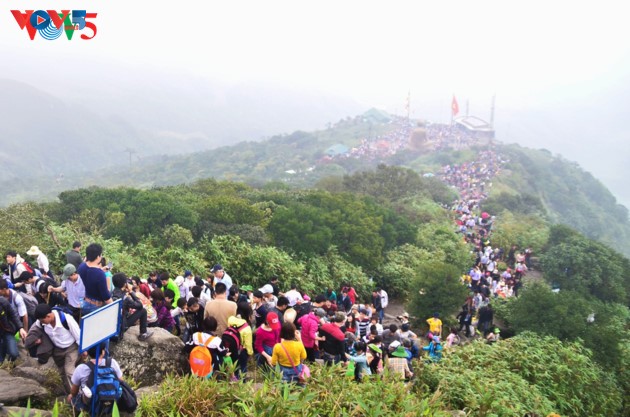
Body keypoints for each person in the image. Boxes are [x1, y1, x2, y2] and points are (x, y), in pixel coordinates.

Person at [31, 303, 81, 389]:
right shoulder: (41, 322)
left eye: (43, 321)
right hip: (57, 349)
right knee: (61, 372)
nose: (42, 323)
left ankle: (78, 395)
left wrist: (84, 350)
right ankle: (68, 392)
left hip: (71, 348)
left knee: (69, 371)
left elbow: (79, 336)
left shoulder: (66, 319)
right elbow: (34, 329)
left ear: (49, 316)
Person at [67, 345, 123, 412]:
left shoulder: (81, 368)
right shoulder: (112, 362)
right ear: (103, 352)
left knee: (72, 398)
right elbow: (121, 380)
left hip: (91, 405)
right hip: (112, 401)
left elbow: (74, 391)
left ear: (88, 352)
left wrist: (71, 395)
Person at [111, 273, 153, 341]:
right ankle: (143, 333)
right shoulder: (125, 298)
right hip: (122, 327)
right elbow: (140, 305)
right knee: (143, 311)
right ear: (125, 284)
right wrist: (131, 292)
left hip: (113, 327)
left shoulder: (112, 293)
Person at [77, 243, 113, 316]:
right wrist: (115, 308)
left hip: (84, 302)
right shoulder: (100, 274)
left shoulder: (81, 266)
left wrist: (101, 270)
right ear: (98, 256)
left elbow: (90, 273)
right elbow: (106, 296)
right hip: (95, 307)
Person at [0, 296, 27, 362]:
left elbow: (13, 315)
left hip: (7, 330)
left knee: (14, 354)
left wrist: (21, 328)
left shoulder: (3, 302)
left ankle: (10, 364)